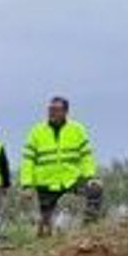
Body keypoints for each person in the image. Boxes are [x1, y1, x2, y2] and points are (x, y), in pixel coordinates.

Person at [21, 95, 101, 236]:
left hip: (71, 181)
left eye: (56, 109)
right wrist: (26, 185)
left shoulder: (77, 129)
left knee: (96, 187)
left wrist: (90, 176)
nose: (51, 112)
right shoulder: (36, 131)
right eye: (50, 109)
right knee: (46, 232)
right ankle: (47, 231)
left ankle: (90, 229)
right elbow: (28, 160)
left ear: (65, 112)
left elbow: (86, 156)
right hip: (46, 185)